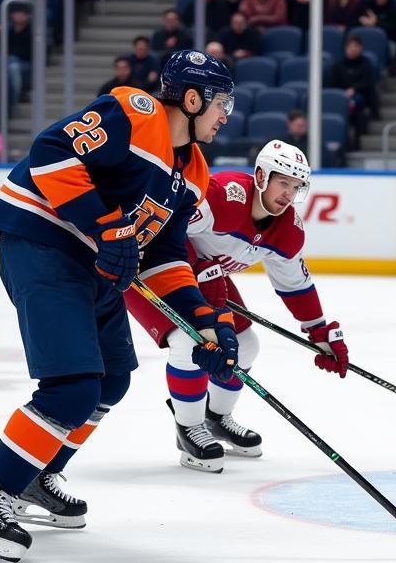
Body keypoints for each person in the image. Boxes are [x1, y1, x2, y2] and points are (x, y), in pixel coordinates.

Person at [0, 50, 239, 562]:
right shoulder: (136, 112)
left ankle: (36, 475)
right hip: (44, 243)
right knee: (72, 386)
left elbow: (165, 254)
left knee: (111, 380)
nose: (226, 115)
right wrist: (106, 224)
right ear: (191, 99)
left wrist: (204, 320)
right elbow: (51, 152)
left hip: (95, 265)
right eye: (221, 104)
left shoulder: (193, 171)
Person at [124, 141, 349, 472]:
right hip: (153, 266)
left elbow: (295, 283)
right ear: (260, 176)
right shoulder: (221, 196)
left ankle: (215, 416)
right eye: (283, 182)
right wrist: (197, 269)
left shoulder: (288, 230)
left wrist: (318, 330)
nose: (289, 194)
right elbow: (165, 229)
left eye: (296, 187)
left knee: (245, 344)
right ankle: (188, 428)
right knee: (192, 343)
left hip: (204, 276)